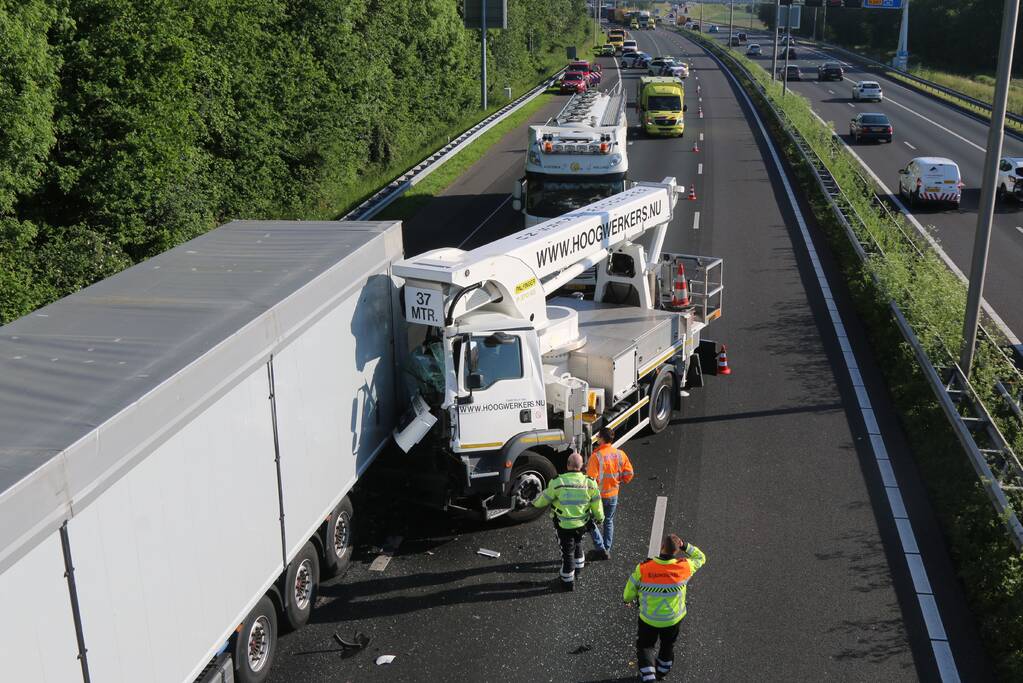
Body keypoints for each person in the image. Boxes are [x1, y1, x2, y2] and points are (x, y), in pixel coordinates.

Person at [623, 534, 706, 681]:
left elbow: (630, 589)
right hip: (673, 619)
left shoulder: (644, 568)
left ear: (662, 547)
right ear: (677, 551)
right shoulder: (685, 567)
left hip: (648, 618)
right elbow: (701, 558)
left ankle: (649, 677)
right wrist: (686, 545)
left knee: (645, 646)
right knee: (668, 645)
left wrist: (627, 599)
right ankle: (662, 671)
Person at [533, 452, 604, 591]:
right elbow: (597, 504)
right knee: (578, 545)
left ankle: (567, 581)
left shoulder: (558, 482)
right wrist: (600, 518)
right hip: (582, 525)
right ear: (582, 466)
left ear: (567, 465)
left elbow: (543, 500)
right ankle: (578, 569)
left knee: (567, 554)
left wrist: (533, 502)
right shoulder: (590, 483)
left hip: (564, 526)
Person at [586, 427, 634, 559]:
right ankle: (607, 548)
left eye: (598, 436)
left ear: (601, 438)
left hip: (598, 497)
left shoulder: (596, 457)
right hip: (613, 494)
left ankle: (600, 548)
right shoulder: (620, 454)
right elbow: (629, 474)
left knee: (590, 521)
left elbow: (590, 481)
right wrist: (620, 481)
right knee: (608, 521)